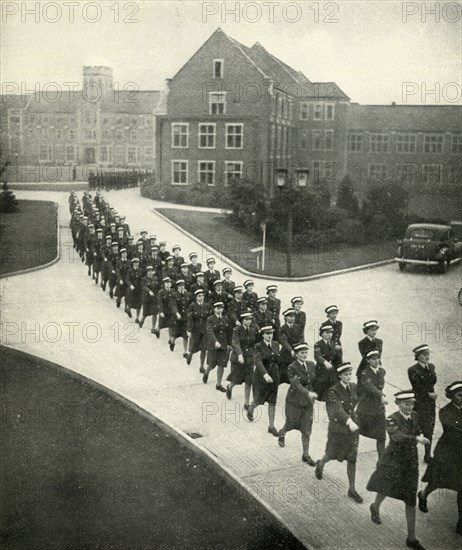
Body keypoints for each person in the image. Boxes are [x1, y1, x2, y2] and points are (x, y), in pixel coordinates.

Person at [367, 391, 430, 550]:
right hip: (393, 461)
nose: (409, 407)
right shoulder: (391, 419)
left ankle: (411, 537)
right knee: (385, 488)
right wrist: (416, 438)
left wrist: (420, 434)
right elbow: (397, 437)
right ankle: (375, 506)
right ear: (398, 404)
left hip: (410, 462)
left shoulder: (414, 415)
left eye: (411, 404)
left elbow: (418, 429)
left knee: (410, 497)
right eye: (406, 404)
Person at [418, 381, 462, 536]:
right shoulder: (445, 411)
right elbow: (452, 431)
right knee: (437, 480)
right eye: (459, 395)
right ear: (451, 396)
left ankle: (461, 522)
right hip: (447, 454)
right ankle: (423, 495)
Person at [315, 362, 363, 503]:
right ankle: (321, 464)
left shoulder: (354, 387)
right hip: (338, 429)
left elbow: (359, 400)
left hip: (353, 429)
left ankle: (352, 489)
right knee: (331, 454)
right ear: (340, 375)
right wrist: (349, 422)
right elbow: (337, 409)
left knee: (352, 458)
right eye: (345, 374)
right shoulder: (333, 391)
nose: (348, 377)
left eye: (350, 374)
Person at [278, 342, 318, 465]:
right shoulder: (292, 367)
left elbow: (314, 380)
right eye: (302, 353)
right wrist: (308, 393)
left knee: (307, 429)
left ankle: (305, 454)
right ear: (296, 354)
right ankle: (282, 433)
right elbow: (296, 384)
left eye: (306, 352)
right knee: (291, 423)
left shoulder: (311, 364)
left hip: (307, 402)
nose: (304, 355)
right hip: (294, 401)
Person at [247, 325, 281, 433]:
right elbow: (258, 361)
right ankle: (251, 409)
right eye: (267, 334)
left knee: (272, 401)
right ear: (262, 335)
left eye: (271, 333)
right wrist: (265, 375)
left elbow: (277, 359)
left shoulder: (276, 344)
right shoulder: (258, 346)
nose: (269, 336)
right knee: (258, 398)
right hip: (261, 377)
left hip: (274, 375)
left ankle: (271, 426)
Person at [408, 344, 437, 464]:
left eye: (428, 354)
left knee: (429, 428)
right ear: (418, 356)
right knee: (416, 428)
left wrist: (432, 394)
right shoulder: (412, 370)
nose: (427, 357)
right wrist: (428, 394)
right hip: (420, 402)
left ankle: (427, 454)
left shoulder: (431, 367)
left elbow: (432, 381)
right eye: (424, 355)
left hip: (430, 403)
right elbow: (417, 386)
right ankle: (410, 455)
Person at [357, 349, 387, 460]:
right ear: (368, 361)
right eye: (373, 359)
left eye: (377, 358)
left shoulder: (382, 371)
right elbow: (371, 388)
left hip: (378, 408)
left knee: (381, 436)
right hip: (366, 408)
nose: (376, 361)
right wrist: (381, 396)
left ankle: (382, 461)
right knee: (357, 431)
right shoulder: (365, 373)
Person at [226, 312, 256, 410]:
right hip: (238, 359)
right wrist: (239, 355)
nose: (248, 321)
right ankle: (230, 387)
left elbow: (253, 344)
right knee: (236, 379)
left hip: (249, 359)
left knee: (249, 381)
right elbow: (235, 343)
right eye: (246, 319)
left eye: (250, 319)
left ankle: (246, 403)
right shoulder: (237, 330)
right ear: (242, 320)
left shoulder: (252, 330)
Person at [203, 301, 232, 392]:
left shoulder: (226, 319)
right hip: (213, 346)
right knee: (212, 365)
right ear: (214, 309)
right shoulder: (210, 319)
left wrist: (229, 344)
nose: (220, 310)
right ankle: (206, 372)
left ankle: (218, 384)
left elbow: (229, 332)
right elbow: (210, 332)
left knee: (221, 365)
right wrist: (215, 342)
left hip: (223, 346)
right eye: (218, 308)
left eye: (221, 308)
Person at [313, 323, 341, 401]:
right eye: (327, 333)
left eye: (331, 333)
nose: (329, 335)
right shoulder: (318, 344)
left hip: (332, 370)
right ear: (322, 334)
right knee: (322, 390)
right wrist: (324, 362)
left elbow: (337, 358)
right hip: (322, 370)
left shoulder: (333, 344)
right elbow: (317, 356)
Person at [278, 308, 304, 385]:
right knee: (280, 377)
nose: (292, 318)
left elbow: (300, 338)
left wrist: (298, 350)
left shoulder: (297, 327)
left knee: (296, 377)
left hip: (296, 355)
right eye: (290, 316)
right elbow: (283, 341)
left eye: (293, 316)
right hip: (285, 355)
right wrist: (291, 350)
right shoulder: (282, 328)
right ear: (285, 317)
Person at [186, 289, 210, 372]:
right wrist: (189, 330)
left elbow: (209, 318)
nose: (201, 297)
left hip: (204, 330)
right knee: (193, 346)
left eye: (202, 296)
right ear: (196, 297)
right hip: (195, 330)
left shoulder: (206, 305)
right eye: (199, 296)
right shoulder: (192, 306)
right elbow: (190, 318)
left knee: (204, 349)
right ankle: (190, 355)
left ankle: (201, 366)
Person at [357, 320, 383, 394]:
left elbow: (379, 355)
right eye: (372, 330)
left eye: (375, 330)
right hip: (365, 366)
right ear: (366, 331)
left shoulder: (379, 341)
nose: (374, 332)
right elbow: (366, 356)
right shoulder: (362, 343)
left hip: (376, 366)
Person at [172, 279, 191, 356]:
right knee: (175, 334)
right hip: (177, 318)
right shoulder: (174, 295)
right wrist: (177, 313)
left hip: (185, 318)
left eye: (183, 286)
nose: (182, 287)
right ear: (177, 287)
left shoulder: (187, 294)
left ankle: (185, 351)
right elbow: (174, 305)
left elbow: (189, 305)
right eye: (180, 286)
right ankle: (172, 342)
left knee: (185, 336)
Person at [139, 265, 159, 335]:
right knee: (146, 313)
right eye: (149, 271)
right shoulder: (144, 279)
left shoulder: (155, 278)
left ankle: (153, 328)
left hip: (154, 298)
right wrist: (149, 291)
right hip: (147, 298)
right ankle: (142, 320)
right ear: (147, 272)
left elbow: (157, 286)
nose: (150, 272)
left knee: (155, 313)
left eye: (151, 271)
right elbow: (143, 286)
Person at [158, 277, 176, 349]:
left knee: (171, 325)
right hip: (164, 311)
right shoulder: (161, 292)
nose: (168, 284)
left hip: (171, 311)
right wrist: (161, 311)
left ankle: (171, 340)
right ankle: (157, 331)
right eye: (167, 283)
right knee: (161, 324)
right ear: (164, 284)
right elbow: (160, 302)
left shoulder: (173, 291)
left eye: (169, 283)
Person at [126, 257, 143, 322]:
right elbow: (127, 279)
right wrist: (130, 285)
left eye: (137, 263)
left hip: (139, 289)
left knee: (139, 304)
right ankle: (128, 310)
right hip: (132, 289)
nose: (136, 264)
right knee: (131, 302)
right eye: (135, 263)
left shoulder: (141, 270)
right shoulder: (130, 270)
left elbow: (142, 279)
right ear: (133, 263)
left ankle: (137, 318)